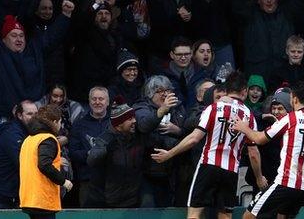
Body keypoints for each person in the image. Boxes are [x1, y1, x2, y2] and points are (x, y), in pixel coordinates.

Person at [151, 71, 266, 219]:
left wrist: (169, 153)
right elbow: (253, 152)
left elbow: (194, 138)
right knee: (225, 215)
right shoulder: (249, 116)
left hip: (208, 165)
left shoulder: (213, 108)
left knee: (194, 214)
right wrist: (259, 177)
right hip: (231, 171)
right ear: (244, 91)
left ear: (226, 90)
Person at [0, 0, 72, 145]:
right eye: (13, 35)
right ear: (4, 39)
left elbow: (51, 37)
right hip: (3, 120)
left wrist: (65, 15)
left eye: (21, 35)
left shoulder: (34, 49)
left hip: (32, 119)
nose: (18, 39)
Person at [231, 81, 304, 218]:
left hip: (286, 182)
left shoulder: (291, 118)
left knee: (248, 215)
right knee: (282, 217)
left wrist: (243, 127)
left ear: (294, 99)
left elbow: (259, 139)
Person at [133, 75, 187, 207]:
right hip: (146, 171)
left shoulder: (178, 108)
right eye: (159, 91)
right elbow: (144, 125)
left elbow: (190, 134)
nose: (165, 94)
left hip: (173, 171)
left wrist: (178, 131)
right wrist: (163, 109)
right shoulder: (141, 107)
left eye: (167, 90)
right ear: (150, 93)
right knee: (148, 209)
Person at [85, 103, 148, 207]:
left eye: (133, 117)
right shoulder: (105, 139)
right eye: (130, 119)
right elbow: (92, 160)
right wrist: (100, 148)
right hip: (106, 202)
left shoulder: (138, 137)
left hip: (132, 202)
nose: (134, 121)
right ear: (118, 126)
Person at [19, 104, 73, 219]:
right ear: (54, 122)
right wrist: (63, 181)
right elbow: (44, 165)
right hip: (43, 199)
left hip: (29, 198)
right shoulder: (47, 138)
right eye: (59, 122)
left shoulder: (28, 139)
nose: (60, 125)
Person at [0, 101, 38, 209]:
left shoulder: (27, 131)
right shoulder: (12, 134)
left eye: (36, 114)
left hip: (14, 192)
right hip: (2, 194)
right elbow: (23, 163)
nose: (34, 117)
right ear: (19, 115)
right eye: (29, 114)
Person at [67, 86, 111, 207]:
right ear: (89, 101)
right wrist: (89, 154)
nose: (97, 102)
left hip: (113, 181)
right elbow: (73, 152)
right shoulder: (79, 125)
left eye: (101, 99)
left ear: (107, 102)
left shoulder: (115, 122)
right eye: (94, 99)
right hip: (88, 181)